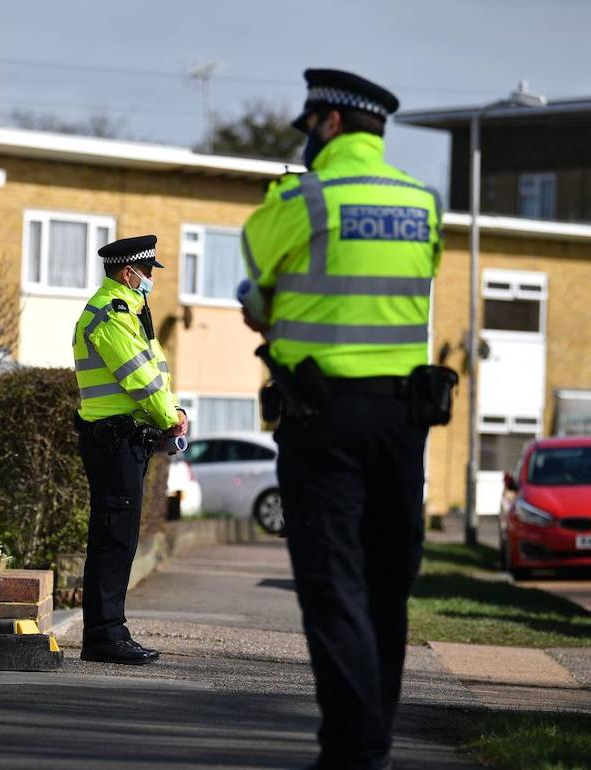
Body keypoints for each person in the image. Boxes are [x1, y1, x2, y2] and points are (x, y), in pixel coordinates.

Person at [240, 69, 446, 769]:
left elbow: (255, 262)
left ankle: (354, 751)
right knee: (388, 583)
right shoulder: (424, 203)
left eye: (309, 130)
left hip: (322, 418)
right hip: (403, 419)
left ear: (327, 123)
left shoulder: (305, 197)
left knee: (333, 583)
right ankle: (371, 741)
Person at [72, 234, 188, 665]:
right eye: (146, 274)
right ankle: (103, 636)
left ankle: (111, 631)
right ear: (128, 273)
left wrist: (170, 408)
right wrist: (169, 417)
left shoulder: (131, 312)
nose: (149, 281)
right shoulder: (113, 314)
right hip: (114, 440)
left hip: (124, 440)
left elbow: (155, 375)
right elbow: (137, 376)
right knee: (113, 538)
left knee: (119, 537)